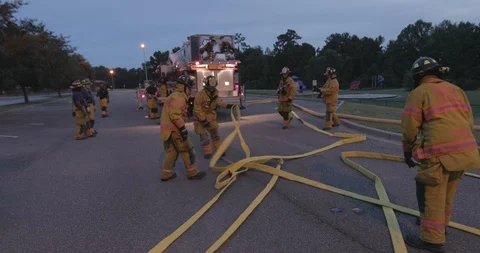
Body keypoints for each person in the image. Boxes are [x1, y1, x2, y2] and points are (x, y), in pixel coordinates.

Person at [401, 56, 480, 253]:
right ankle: (440, 226)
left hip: (439, 155)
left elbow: (410, 128)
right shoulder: (456, 90)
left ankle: (432, 240)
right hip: (464, 152)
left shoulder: (419, 92)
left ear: (419, 75)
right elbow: (468, 122)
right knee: (447, 193)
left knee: (431, 194)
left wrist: (407, 151)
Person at [159, 75, 206, 181]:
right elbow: (174, 115)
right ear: (184, 87)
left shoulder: (176, 95)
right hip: (175, 130)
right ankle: (192, 173)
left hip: (168, 131)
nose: (191, 90)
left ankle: (166, 174)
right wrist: (182, 128)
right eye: (189, 88)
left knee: (172, 152)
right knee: (187, 150)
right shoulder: (179, 97)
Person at [193, 75, 234, 159]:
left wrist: (228, 106)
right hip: (200, 118)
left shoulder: (215, 93)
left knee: (215, 135)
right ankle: (208, 152)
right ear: (206, 85)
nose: (212, 89)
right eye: (210, 87)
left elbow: (218, 102)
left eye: (213, 86)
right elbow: (197, 109)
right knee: (204, 137)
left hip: (210, 116)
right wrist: (203, 120)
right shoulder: (200, 95)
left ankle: (219, 150)